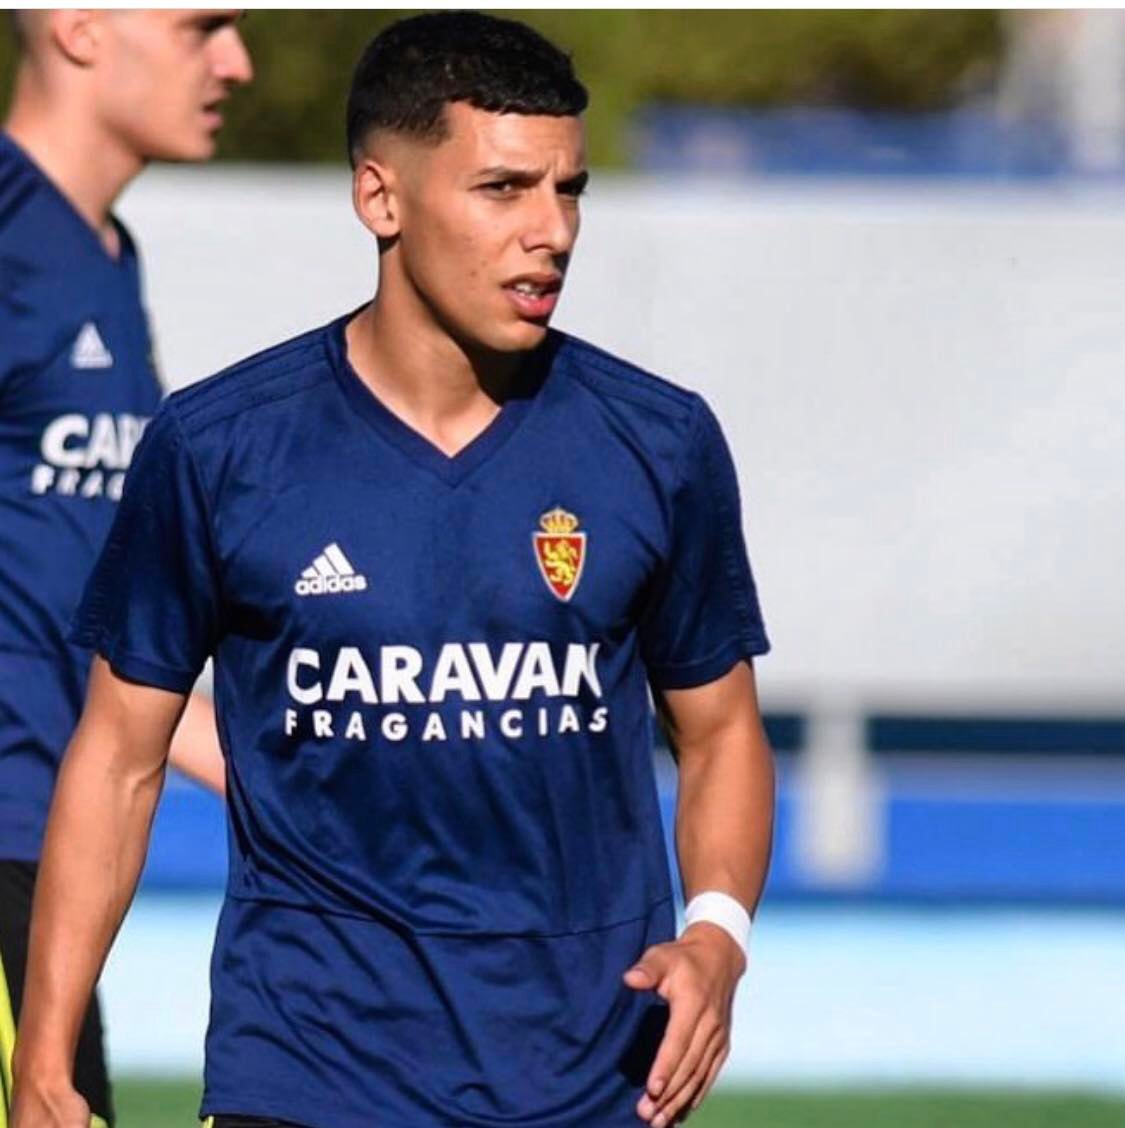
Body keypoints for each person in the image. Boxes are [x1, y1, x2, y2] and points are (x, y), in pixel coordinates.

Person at [12, 11, 774, 1128]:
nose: (551, 231)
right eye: (503, 189)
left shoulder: (658, 444)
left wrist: (717, 934)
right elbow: (119, 760)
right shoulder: (220, 447)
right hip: (303, 1075)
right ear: (380, 198)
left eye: (569, 190)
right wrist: (44, 1057)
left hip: (587, 1081)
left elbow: (721, 733)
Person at [0, 10, 252, 1127]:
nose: (237, 61)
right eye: (205, 25)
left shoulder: (105, 253)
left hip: (48, 868)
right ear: (79, 27)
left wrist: (304, 774)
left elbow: (80, 624)